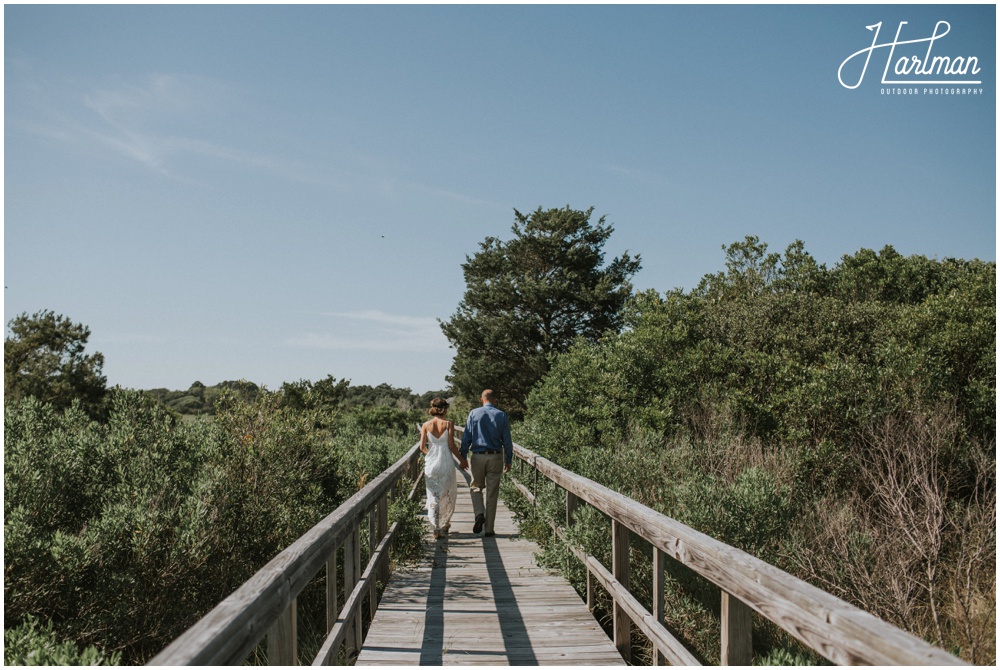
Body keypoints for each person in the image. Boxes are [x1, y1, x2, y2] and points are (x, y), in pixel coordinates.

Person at [460, 389, 513, 537]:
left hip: (477, 456)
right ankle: (489, 529)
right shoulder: (501, 415)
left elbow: (466, 437)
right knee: (492, 493)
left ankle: (479, 513)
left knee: (476, 487)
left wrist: (463, 456)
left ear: (481, 399)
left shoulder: (473, 413)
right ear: (494, 400)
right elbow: (507, 440)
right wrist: (508, 459)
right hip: (495, 457)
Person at [419, 398, 468, 539]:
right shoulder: (448, 424)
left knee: (433, 495)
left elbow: (422, 447)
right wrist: (462, 460)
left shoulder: (426, 425)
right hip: (446, 463)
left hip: (432, 464)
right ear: (445, 409)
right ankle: (445, 523)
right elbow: (452, 445)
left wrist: (431, 455)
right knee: (447, 493)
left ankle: (436, 528)